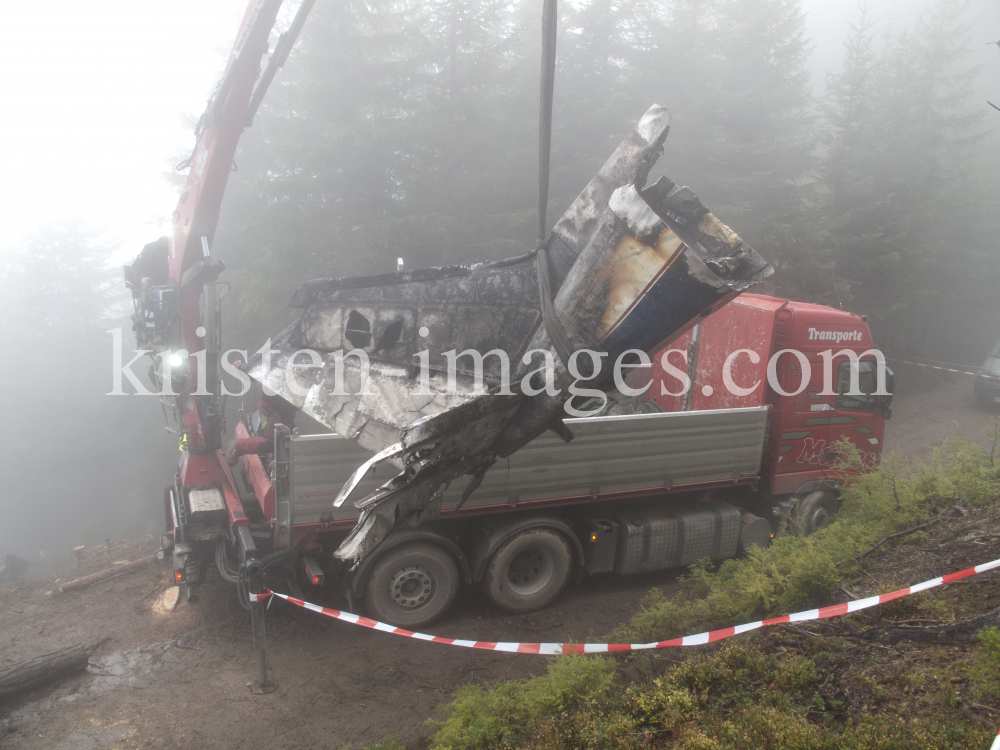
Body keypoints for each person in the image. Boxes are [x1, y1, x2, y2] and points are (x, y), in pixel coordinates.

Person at [227, 393, 298, 466]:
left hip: (285, 407)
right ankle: (238, 446)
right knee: (274, 442)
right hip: (272, 407)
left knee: (287, 439)